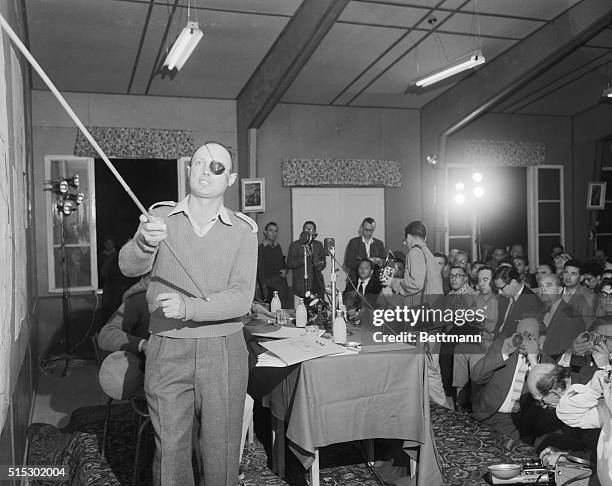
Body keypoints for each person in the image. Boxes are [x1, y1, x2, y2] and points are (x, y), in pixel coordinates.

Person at [118, 142, 257, 486]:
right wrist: (143, 243)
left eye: (216, 168)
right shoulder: (160, 218)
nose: (205, 172)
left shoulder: (243, 230)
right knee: (170, 452)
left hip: (224, 351)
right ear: (187, 169)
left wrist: (189, 307)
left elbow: (241, 299)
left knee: (221, 452)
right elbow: (127, 265)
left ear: (231, 179)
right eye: (198, 163)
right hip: (167, 348)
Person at [471, 316, 552, 440]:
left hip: (516, 424)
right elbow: (476, 377)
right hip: (487, 416)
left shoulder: (547, 364)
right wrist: (503, 353)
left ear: (541, 339)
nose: (523, 340)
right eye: (519, 334)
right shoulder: (503, 347)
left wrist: (533, 362)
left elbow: (546, 399)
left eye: (529, 336)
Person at [493, 266, 542, 338]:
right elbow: (500, 324)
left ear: (513, 282)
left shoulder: (531, 302)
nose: (500, 292)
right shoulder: (504, 298)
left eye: (501, 288)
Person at [287, 221, 326, 301]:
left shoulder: (318, 245)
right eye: (306, 229)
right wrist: (304, 258)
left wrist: (318, 263)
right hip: (302, 283)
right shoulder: (295, 245)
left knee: (320, 307)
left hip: (317, 282)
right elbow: (290, 263)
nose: (308, 231)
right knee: (306, 309)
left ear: (315, 232)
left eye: (310, 230)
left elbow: (323, 261)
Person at [343, 217, 386, 284]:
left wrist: (379, 261)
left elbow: (384, 262)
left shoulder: (379, 244)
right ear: (361, 228)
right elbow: (348, 263)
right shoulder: (353, 242)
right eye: (366, 230)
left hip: (374, 281)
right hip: (355, 279)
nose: (369, 232)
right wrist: (365, 263)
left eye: (371, 230)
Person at [257, 222, 289, 307]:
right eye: (271, 230)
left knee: (283, 308)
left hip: (281, 284)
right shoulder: (261, 248)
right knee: (272, 310)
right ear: (265, 232)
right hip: (269, 285)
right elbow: (260, 269)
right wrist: (263, 287)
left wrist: (286, 270)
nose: (273, 233)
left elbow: (282, 263)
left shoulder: (278, 246)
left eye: (275, 231)